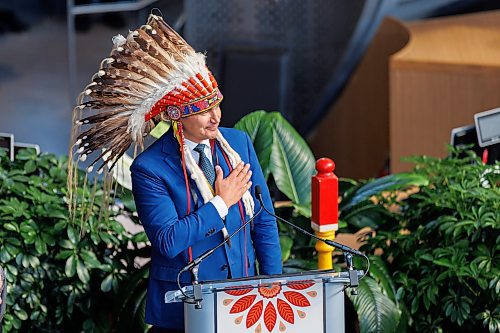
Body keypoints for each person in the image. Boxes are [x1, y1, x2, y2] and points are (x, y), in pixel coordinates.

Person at [69, 13, 282, 333]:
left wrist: (274, 285)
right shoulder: (150, 168)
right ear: (176, 116)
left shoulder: (238, 144)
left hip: (243, 303)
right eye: (202, 111)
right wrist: (220, 204)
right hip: (184, 313)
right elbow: (168, 241)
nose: (215, 117)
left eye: (217, 105)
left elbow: (264, 219)